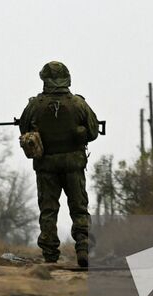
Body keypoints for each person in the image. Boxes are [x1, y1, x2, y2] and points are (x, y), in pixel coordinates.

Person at [18, 60, 100, 269]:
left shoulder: (35, 105)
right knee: (79, 208)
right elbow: (92, 132)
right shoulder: (78, 104)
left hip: (46, 166)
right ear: (66, 78)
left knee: (48, 210)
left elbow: (24, 131)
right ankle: (82, 246)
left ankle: (50, 254)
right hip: (73, 165)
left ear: (45, 79)